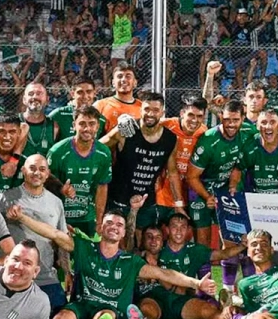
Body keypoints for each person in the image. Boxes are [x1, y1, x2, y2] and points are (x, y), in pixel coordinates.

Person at [44, 210, 216, 319]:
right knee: (65, 316)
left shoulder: (130, 261)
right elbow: (54, 233)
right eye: (109, 223)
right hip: (82, 304)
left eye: (119, 225)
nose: (114, 227)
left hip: (110, 309)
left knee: (105, 316)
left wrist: (196, 283)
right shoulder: (85, 248)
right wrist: (21, 216)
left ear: (124, 233)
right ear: (101, 228)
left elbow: (165, 274)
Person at [136, 212, 245, 319]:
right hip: (155, 298)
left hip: (181, 299)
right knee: (148, 309)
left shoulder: (194, 250)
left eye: (183, 227)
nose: (179, 231)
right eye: (174, 227)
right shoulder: (157, 248)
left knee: (207, 310)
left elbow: (223, 254)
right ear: (167, 230)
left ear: (188, 230)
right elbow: (140, 251)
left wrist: (243, 245)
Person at [0, 154, 73, 311]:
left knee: (59, 312)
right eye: (32, 168)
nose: (37, 173)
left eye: (42, 169)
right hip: (14, 275)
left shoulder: (56, 202)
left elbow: (62, 241)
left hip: (45, 277)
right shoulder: (5, 199)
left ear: (47, 174)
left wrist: (67, 271)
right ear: (23, 170)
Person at [186, 100, 252, 283]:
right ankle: (206, 289)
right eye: (227, 119)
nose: (231, 124)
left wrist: (234, 182)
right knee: (203, 244)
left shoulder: (248, 132)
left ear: (243, 119)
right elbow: (191, 177)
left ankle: (229, 290)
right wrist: (207, 197)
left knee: (232, 241)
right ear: (221, 116)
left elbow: (239, 165)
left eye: (236, 120)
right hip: (201, 190)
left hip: (225, 191)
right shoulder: (208, 140)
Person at [102, 91, 180, 231]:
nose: (150, 114)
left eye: (155, 110)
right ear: (140, 109)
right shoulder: (126, 129)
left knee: (144, 244)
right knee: (118, 242)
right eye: (147, 109)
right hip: (119, 199)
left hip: (147, 201)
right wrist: (117, 125)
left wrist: (179, 204)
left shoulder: (170, 139)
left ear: (162, 112)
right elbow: (98, 148)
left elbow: (173, 172)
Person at [47, 105, 112, 236]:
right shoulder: (57, 151)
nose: (87, 128)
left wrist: (99, 221)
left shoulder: (103, 153)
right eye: (82, 123)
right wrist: (60, 188)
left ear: (98, 126)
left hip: (87, 216)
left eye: (92, 124)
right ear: (74, 125)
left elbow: (102, 187)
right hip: (59, 216)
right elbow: (46, 180)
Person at [49, 76, 106, 141]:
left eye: (89, 92)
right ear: (72, 94)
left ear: (94, 93)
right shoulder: (59, 115)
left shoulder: (101, 120)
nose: (85, 96)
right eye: (80, 92)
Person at [93, 61, 142, 133]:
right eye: (119, 76)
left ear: (135, 83)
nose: (123, 80)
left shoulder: (143, 108)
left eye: (128, 76)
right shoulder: (100, 105)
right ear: (113, 83)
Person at [20, 82, 58, 158]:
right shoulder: (15, 122)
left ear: (47, 100)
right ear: (24, 100)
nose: (35, 97)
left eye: (39, 93)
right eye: (31, 94)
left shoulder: (54, 126)